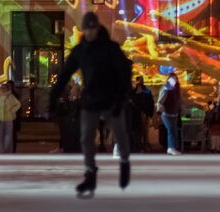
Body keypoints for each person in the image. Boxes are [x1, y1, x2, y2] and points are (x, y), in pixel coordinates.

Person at [48, 12, 133, 198]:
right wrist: (53, 96)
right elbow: (65, 74)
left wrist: (121, 97)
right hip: (91, 100)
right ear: (84, 29)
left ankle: (125, 163)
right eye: (87, 30)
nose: (90, 33)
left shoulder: (111, 48)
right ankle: (90, 173)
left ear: (97, 29)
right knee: (86, 137)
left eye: (93, 30)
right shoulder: (80, 50)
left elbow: (125, 71)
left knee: (120, 133)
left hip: (111, 99)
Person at [0, 82, 20, 154]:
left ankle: (7, 150)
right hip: (0, 119)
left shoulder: (10, 96)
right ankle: (1, 151)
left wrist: (12, 111)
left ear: (7, 89)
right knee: (0, 136)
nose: (3, 89)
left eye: (4, 88)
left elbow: (18, 104)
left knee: (8, 136)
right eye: (2, 88)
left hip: (9, 119)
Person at [157, 72, 183, 155]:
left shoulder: (176, 89)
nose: (174, 80)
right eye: (172, 78)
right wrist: (160, 111)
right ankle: (171, 147)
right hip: (167, 113)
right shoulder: (166, 88)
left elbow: (179, 101)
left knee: (174, 130)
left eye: (176, 78)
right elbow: (160, 101)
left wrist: (180, 110)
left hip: (174, 113)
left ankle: (173, 147)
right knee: (171, 130)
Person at [130, 76, 155, 153]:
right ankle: (139, 146)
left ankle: (143, 146)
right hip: (138, 113)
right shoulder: (136, 91)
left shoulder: (145, 91)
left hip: (142, 113)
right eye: (140, 80)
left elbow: (150, 103)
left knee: (143, 131)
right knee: (139, 131)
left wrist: (149, 113)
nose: (141, 82)